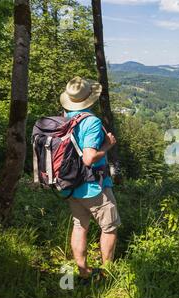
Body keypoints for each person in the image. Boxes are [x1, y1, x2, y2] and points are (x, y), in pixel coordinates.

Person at [60, 76, 121, 279]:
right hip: (93, 186)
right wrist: (107, 145)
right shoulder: (91, 121)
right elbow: (88, 158)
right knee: (110, 226)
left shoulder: (65, 117)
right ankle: (107, 272)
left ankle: (82, 272)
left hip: (71, 184)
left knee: (80, 226)